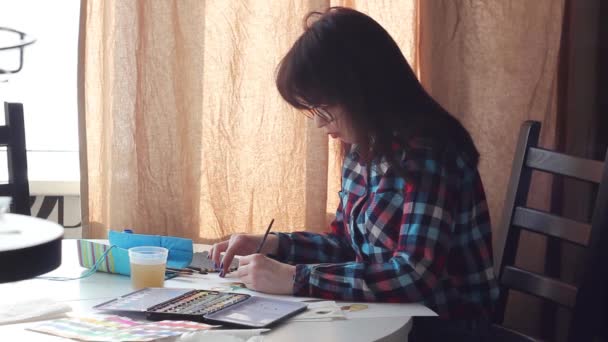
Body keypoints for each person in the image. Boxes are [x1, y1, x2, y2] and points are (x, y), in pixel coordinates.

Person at [210, 7, 498, 341]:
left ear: (362, 92)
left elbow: (414, 276)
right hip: (388, 316)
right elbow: (348, 246)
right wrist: (275, 244)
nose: (319, 123)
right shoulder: (364, 146)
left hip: (446, 327)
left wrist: (295, 278)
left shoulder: (429, 152)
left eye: (324, 109)